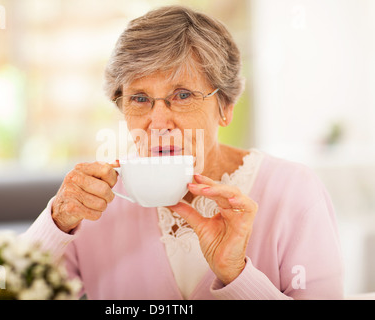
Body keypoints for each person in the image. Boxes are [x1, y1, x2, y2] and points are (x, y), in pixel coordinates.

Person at [23, 5, 343, 299]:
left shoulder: (294, 191)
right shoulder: (93, 203)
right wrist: (57, 222)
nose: (159, 122)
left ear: (226, 107)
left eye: (183, 94)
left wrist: (236, 274)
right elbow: (2, 289)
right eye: (139, 98)